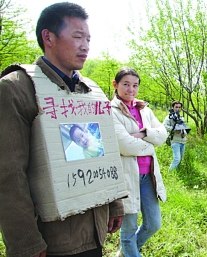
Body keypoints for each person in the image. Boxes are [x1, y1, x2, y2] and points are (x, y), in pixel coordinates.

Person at [0, 2, 124, 257]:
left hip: (95, 230)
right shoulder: (17, 88)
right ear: (49, 37)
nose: (85, 45)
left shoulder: (90, 91)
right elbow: (9, 175)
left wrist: (115, 204)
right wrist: (26, 243)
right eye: (77, 36)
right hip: (52, 240)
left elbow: (104, 153)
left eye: (88, 38)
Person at [111, 68, 168, 257]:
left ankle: (126, 252)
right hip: (127, 177)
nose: (131, 89)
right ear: (115, 85)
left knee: (154, 224)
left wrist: (143, 133)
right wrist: (150, 144)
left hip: (148, 176)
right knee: (128, 229)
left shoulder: (145, 109)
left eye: (135, 85)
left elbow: (162, 136)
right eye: (126, 84)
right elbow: (124, 144)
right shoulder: (111, 111)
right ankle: (130, 251)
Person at [163, 100, 188, 171]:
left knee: (180, 159)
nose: (178, 109)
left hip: (183, 140)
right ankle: (170, 173)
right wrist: (174, 129)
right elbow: (164, 126)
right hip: (175, 140)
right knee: (177, 159)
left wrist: (184, 133)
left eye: (179, 107)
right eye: (176, 107)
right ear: (173, 107)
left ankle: (177, 172)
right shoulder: (169, 117)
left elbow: (185, 129)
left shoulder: (181, 118)